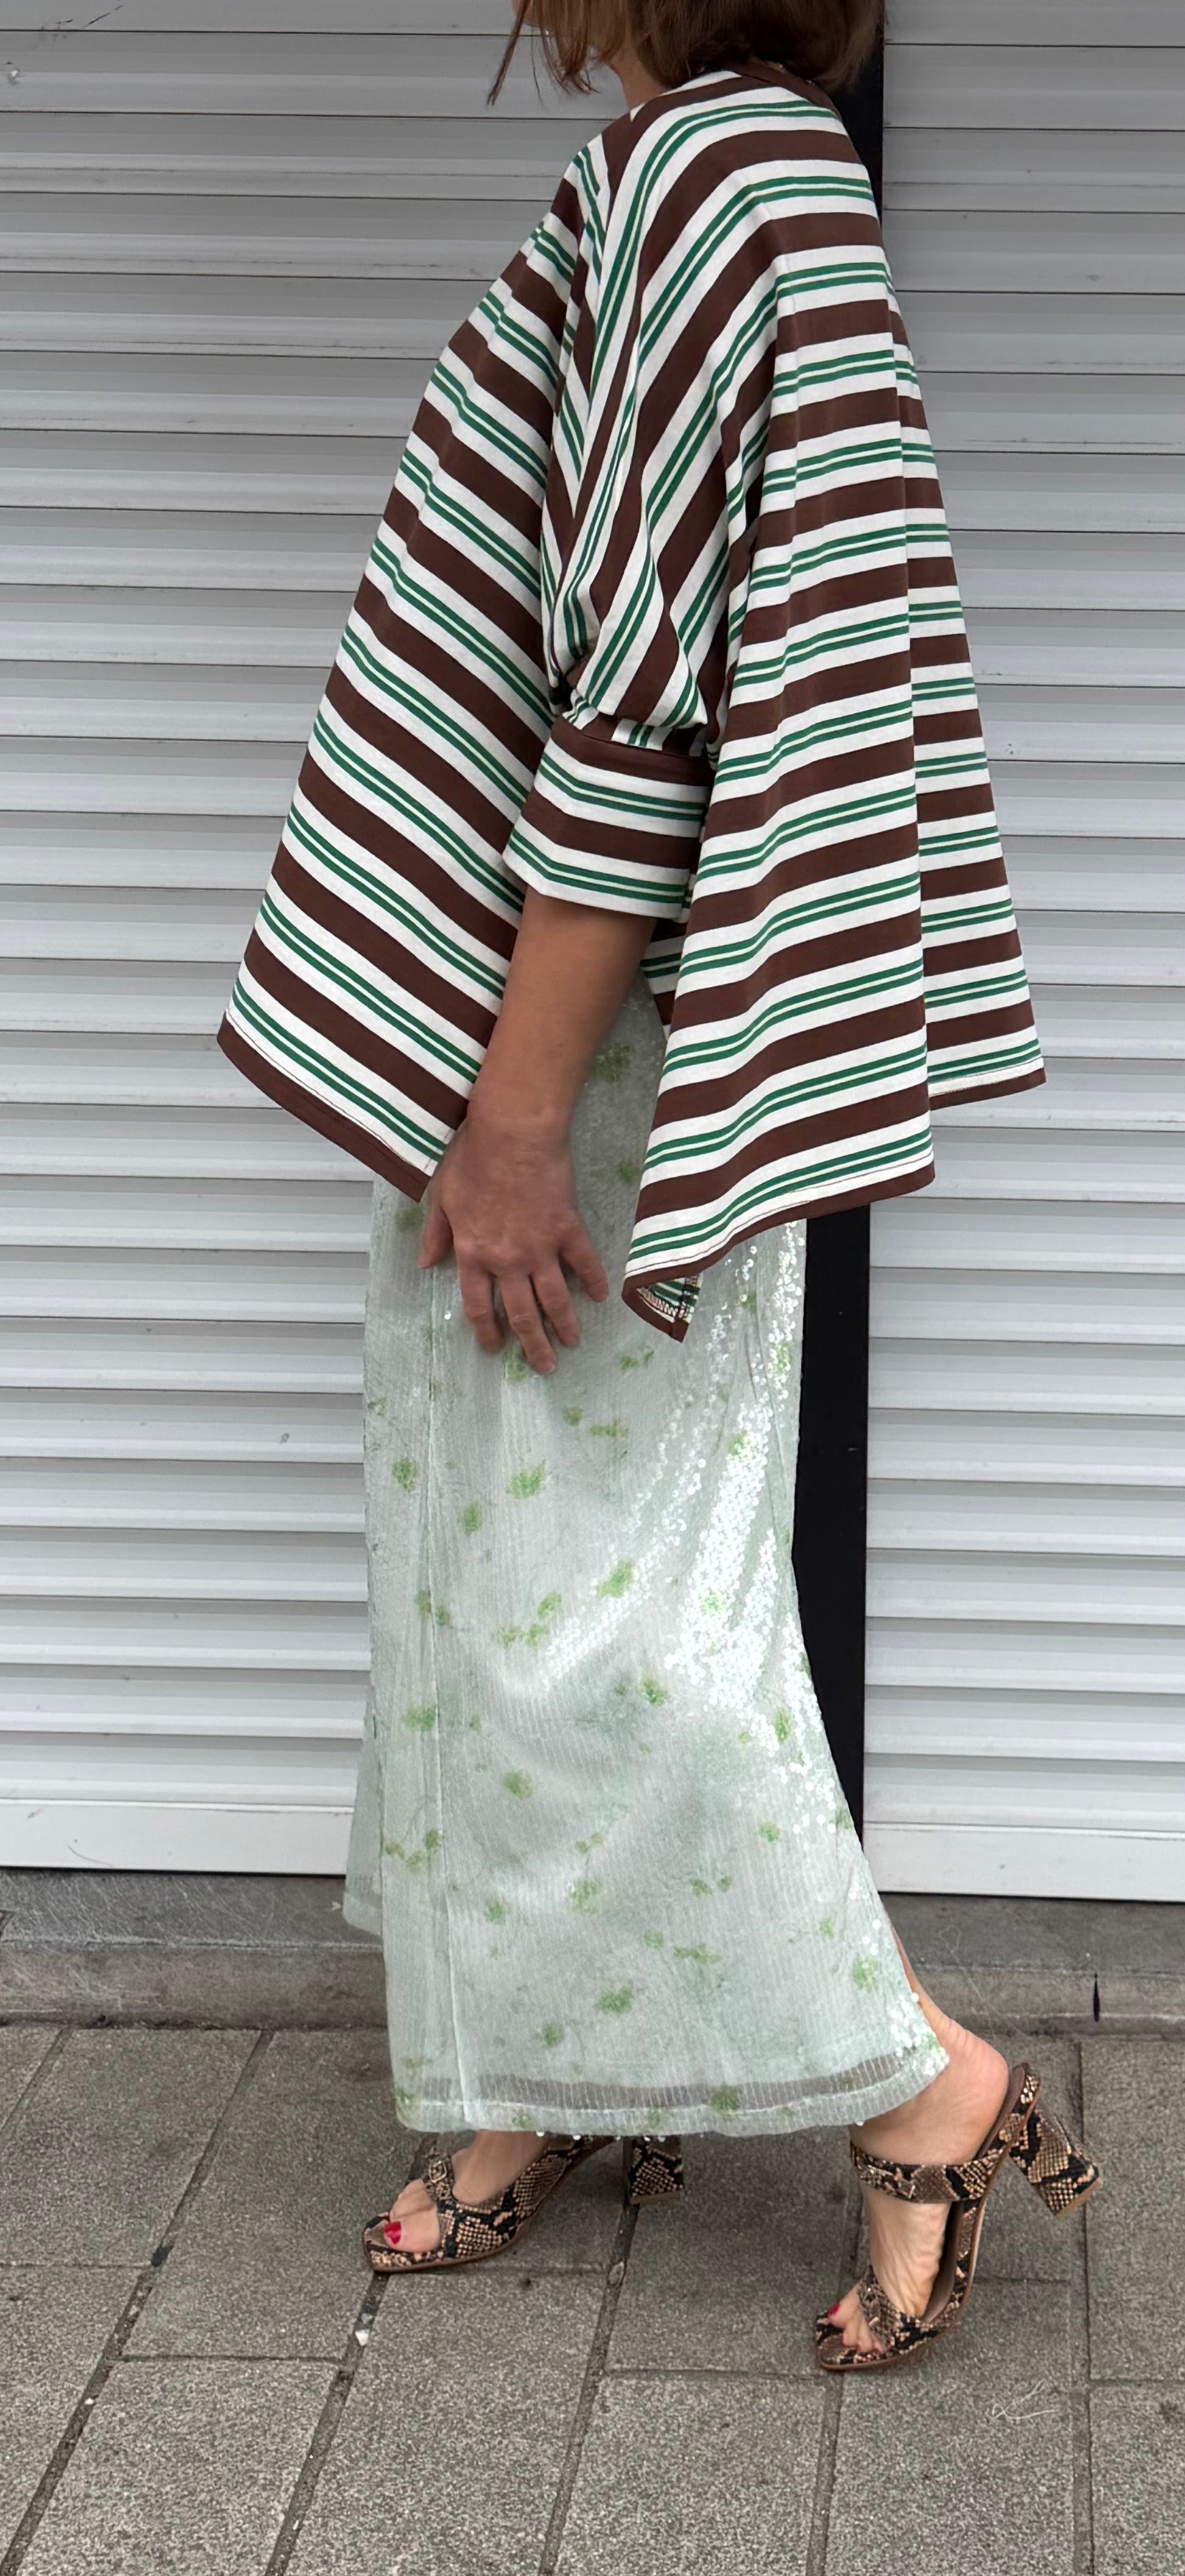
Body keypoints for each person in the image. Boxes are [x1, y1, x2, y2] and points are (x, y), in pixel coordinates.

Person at [219, 0, 1099, 2370]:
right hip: (574, 1025)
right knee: (491, 1587)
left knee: (600, 1620)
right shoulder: (753, 167)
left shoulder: (707, 178)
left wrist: (516, 1118)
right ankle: (542, 2070)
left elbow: (634, 715)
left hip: (580, 1049)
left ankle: (922, 2082)